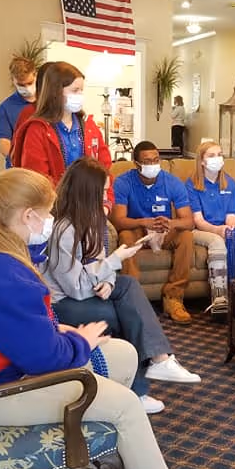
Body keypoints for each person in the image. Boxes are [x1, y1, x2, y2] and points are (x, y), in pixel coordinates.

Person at [0, 168, 201, 469]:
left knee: (124, 354)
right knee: (127, 406)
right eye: (47, 213)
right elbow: (45, 359)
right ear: (28, 216)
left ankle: (81, 449)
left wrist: (63, 332)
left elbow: (14, 328)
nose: (50, 221)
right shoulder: (1, 273)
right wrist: (80, 341)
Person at [43, 158, 201, 415]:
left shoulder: (93, 221)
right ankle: (141, 385)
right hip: (65, 302)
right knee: (126, 314)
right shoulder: (64, 229)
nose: (107, 198)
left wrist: (108, 280)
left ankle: (156, 364)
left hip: (87, 289)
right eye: (103, 192)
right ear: (88, 192)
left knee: (127, 285)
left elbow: (100, 265)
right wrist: (114, 261)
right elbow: (75, 288)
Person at [11, 61, 114, 213]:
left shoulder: (89, 127)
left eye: (81, 90)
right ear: (56, 92)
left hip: (92, 210)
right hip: (53, 211)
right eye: (75, 90)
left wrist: (105, 205)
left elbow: (105, 170)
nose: (80, 96)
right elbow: (37, 180)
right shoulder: (37, 130)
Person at [110, 141, 195, 324]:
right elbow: (117, 220)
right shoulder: (123, 182)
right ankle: (132, 299)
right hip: (137, 230)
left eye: (156, 160)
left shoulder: (172, 182)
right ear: (136, 164)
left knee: (186, 236)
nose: (153, 164)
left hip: (164, 230)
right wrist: (143, 221)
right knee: (125, 236)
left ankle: (174, 298)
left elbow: (189, 221)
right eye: (147, 161)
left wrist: (171, 223)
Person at [185, 141, 235, 313]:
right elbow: (198, 220)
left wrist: (231, 228)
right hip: (200, 230)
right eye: (212, 155)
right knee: (217, 242)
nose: (217, 158)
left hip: (223, 227)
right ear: (202, 161)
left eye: (220, 154)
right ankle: (219, 298)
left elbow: (231, 215)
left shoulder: (230, 183)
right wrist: (218, 231)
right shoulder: (192, 184)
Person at [0, 56, 37, 168]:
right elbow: (4, 144)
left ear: (35, 75)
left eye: (30, 83)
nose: (27, 88)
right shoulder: (5, 108)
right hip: (18, 168)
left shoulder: (47, 102)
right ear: (13, 80)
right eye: (21, 85)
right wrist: (19, 161)